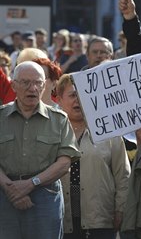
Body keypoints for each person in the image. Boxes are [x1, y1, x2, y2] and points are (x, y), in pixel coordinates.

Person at [0, 61, 80, 239]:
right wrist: (11, 189)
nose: (33, 88)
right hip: (5, 195)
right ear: (13, 85)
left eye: (38, 83)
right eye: (26, 83)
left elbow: (64, 162)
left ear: (45, 86)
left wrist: (30, 184)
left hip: (44, 196)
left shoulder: (58, 119)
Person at [55, 74, 131, 239]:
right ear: (59, 100)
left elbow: (123, 176)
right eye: (73, 95)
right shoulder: (51, 133)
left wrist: (120, 210)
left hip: (100, 221)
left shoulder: (109, 132)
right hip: (60, 220)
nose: (78, 100)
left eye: (83, 94)